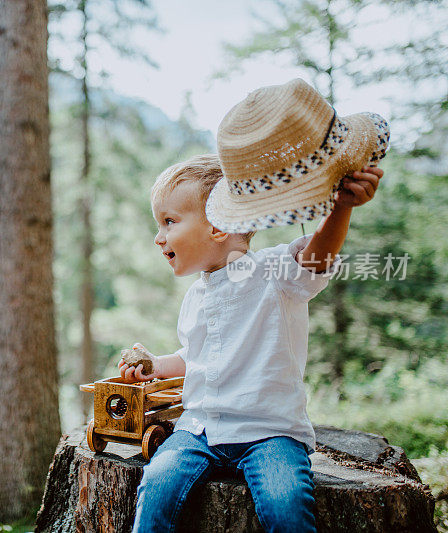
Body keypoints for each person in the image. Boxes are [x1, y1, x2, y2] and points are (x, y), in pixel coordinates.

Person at [120, 79, 389, 533]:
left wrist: (340, 209)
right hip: (199, 429)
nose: (158, 236)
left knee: (285, 504)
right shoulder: (197, 295)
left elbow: (317, 257)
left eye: (169, 221)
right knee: (157, 486)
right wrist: (155, 365)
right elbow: (196, 358)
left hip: (270, 433)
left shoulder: (273, 272)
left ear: (219, 227)